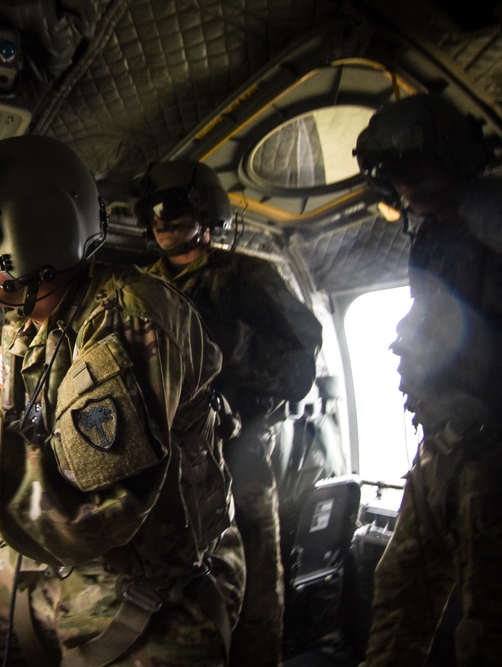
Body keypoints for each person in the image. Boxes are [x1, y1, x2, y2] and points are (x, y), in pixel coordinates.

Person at [0, 135, 245, 666]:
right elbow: (16, 449)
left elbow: (78, 518)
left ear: (30, 232)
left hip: (155, 583)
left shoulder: (128, 319)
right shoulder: (25, 325)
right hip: (55, 556)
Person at [354, 93, 502, 666]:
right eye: (395, 174)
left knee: (492, 628)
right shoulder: (430, 241)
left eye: (418, 167)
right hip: (439, 447)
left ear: (454, 158)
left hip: (501, 457)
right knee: (399, 593)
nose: (407, 187)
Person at [135, 160, 323, 667]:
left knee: (256, 584)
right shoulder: (141, 290)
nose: (161, 220)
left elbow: (299, 368)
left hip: (238, 453)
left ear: (205, 211)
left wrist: (228, 340)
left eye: (174, 208)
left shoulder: (250, 277)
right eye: (152, 210)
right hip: (164, 460)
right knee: (164, 589)